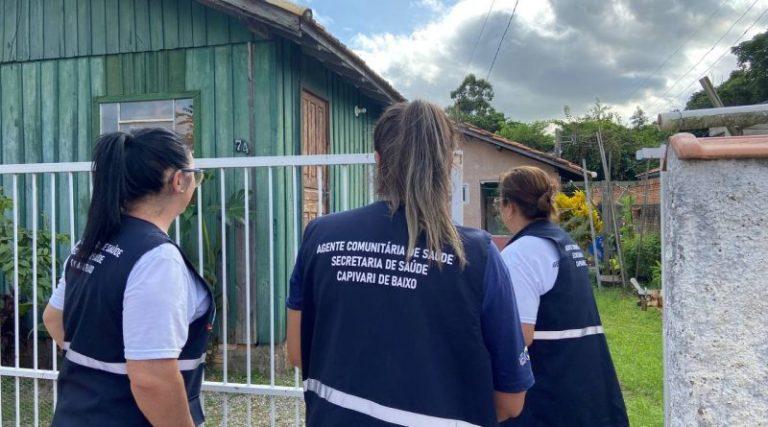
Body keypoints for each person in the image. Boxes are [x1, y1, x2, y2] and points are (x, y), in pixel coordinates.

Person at [286, 100, 534, 426]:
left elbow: (296, 351)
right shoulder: (478, 255)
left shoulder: (320, 235)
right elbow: (510, 401)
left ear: (378, 161)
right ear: (447, 165)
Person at [42, 128, 213, 427]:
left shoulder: (92, 242)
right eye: (195, 175)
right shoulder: (157, 259)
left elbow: (54, 318)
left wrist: (99, 373)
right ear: (178, 180)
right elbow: (151, 379)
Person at [497, 166, 628, 426]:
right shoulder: (563, 241)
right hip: (582, 383)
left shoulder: (520, 254)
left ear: (509, 206)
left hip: (548, 392)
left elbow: (521, 335)